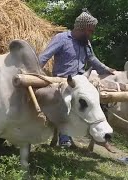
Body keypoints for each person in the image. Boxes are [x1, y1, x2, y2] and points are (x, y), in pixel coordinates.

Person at [39, 8, 116, 148]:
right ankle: (65, 139)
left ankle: (97, 133)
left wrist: (107, 69)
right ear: (81, 28)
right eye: (90, 31)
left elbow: (92, 59)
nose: (91, 34)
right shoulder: (62, 38)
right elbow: (45, 56)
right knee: (66, 109)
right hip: (64, 82)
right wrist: (35, 72)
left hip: (82, 82)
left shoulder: (86, 43)